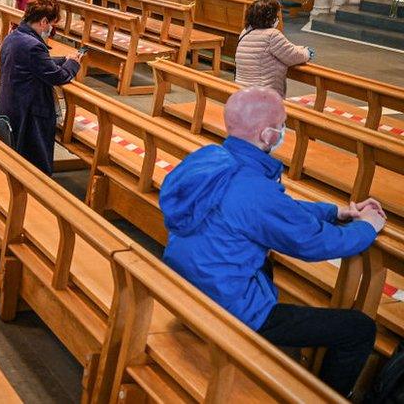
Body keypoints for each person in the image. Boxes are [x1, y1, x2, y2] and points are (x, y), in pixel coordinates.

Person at [159, 86, 386, 397]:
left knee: (264, 266)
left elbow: (278, 210)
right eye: (282, 125)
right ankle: (324, 397)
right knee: (359, 329)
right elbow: (313, 243)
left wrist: (336, 212)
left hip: (187, 285)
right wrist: (368, 228)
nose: (283, 131)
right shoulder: (253, 188)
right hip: (226, 306)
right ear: (267, 135)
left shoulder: (211, 159)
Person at [0, 0, 84, 175]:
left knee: (15, 158)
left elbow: (37, 64)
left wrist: (63, 59)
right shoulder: (33, 46)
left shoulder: (14, 36)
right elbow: (58, 76)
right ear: (43, 22)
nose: (51, 29)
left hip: (9, 106)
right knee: (34, 165)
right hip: (29, 113)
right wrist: (73, 64)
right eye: (51, 25)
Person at [235, 0, 313, 97]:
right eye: (279, 17)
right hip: (263, 95)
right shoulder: (272, 35)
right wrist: (307, 53)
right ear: (272, 19)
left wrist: (298, 48)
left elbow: (285, 49)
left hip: (242, 91)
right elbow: (294, 56)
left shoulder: (245, 32)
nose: (280, 21)